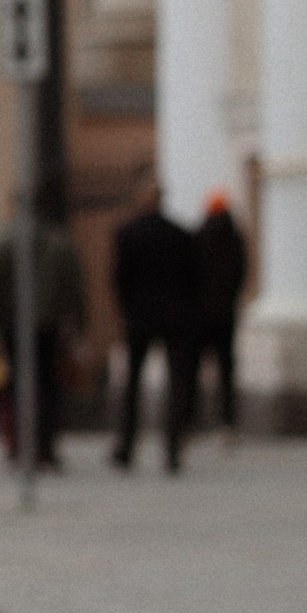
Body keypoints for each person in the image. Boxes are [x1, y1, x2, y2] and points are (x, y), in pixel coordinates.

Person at [0, 210, 88, 469]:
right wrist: (77, 322)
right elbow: (74, 286)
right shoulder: (58, 241)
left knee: (18, 384)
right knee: (48, 386)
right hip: (47, 323)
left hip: (13, 322)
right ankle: (44, 446)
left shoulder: (5, 240)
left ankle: (20, 444)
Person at [110, 181, 199, 472]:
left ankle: (126, 447)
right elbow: (193, 279)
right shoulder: (181, 235)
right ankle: (172, 450)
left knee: (132, 383)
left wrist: (125, 310)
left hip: (140, 316)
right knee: (177, 384)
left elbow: (120, 279)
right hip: (176, 317)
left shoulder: (127, 234)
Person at [192, 193, 249, 437]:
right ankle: (228, 422)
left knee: (194, 369)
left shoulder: (198, 236)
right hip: (226, 313)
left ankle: (193, 420)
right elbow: (241, 273)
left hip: (201, 313)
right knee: (226, 370)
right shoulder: (235, 239)